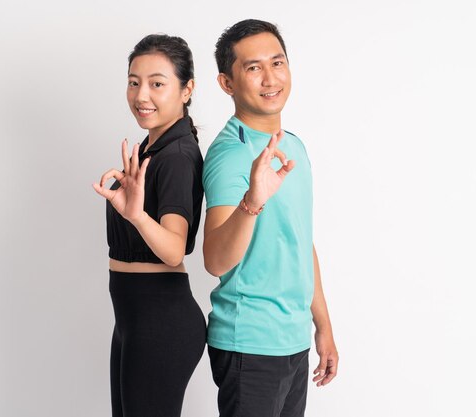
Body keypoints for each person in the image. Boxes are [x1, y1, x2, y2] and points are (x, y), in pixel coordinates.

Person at [202, 19, 340, 417]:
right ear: (227, 83)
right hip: (250, 343)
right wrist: (251, 201)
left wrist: (323, 326)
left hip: (292, 340)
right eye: (253, 67)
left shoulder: (292, 145)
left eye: (277, 63)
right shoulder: (231, 154)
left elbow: (299, 239)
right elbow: (215, 260)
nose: (270, 78)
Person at [92, 34, 206, 417]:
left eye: (157, 83)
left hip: (160, 322)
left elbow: (174, 248)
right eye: (134, 81)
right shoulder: (152, 148)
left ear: (186, 89)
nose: (142, 95)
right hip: (136, 319)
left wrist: (136, 214)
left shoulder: (175, 156)